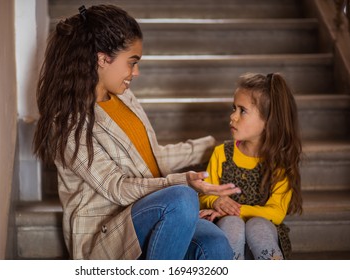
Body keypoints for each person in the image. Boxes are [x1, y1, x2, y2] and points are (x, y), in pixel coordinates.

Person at [33, 4, 241, 260]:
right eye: (132, 62)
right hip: (107, 235)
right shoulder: (68, 122)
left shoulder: (124, 98)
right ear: (102, 59)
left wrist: (214, 146)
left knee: (215, 242)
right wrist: (182, 182)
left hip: (155, 213)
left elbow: (153, 159)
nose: (136, 72)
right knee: (183, 199)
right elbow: (116, 188)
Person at [199, 72, 303, 260]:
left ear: (268, 120)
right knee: (231, 223)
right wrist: (216, 201)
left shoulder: (279, 162)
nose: (233, 116)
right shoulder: (222, 153)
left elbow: (276, 213)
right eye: (234, 108)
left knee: (258, 225)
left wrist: (237, 209)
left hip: (261, 239)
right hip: (227, 235)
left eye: (242, 110)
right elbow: (205, 192)